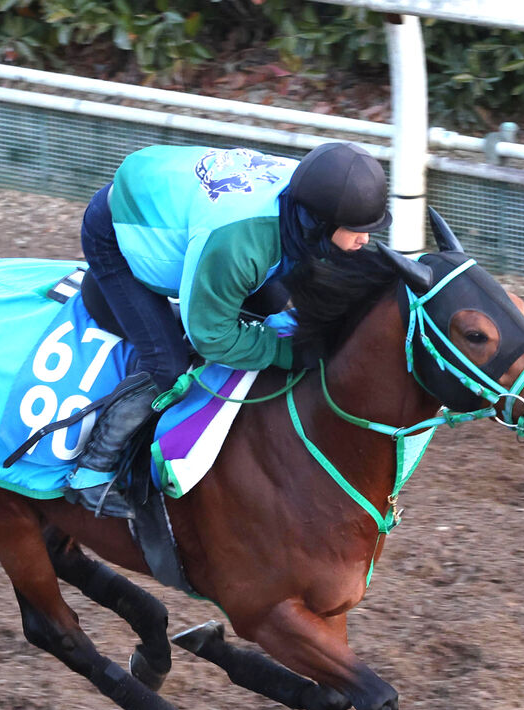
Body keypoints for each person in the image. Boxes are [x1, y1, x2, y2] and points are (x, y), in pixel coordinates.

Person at [65, 141, 393, 518]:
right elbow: (212, 335)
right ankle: (91, 471)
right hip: (114, 233)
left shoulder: (310, 197)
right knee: (168, 365)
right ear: (320, 221)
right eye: (356, 229)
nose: (365, 239)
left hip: (185, 209)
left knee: (267, 304)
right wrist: (286, 351)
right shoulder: (241, 242)